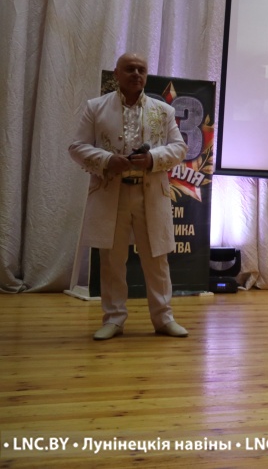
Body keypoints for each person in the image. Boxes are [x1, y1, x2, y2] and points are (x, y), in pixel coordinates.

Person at [68, 53, 189, 340]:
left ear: (146, 75)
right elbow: (76, 147)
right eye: (130, 69)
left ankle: (163, 318)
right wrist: (107, 160)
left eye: (141, 69)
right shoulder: (96, 107)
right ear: (117, 74)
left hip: (151, 195)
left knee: (157, 259)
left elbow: (179, 148)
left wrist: (153, 158)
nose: (136, 73)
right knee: (112, 260)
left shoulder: (164, 110)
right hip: (112, 193)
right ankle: (113, 319)